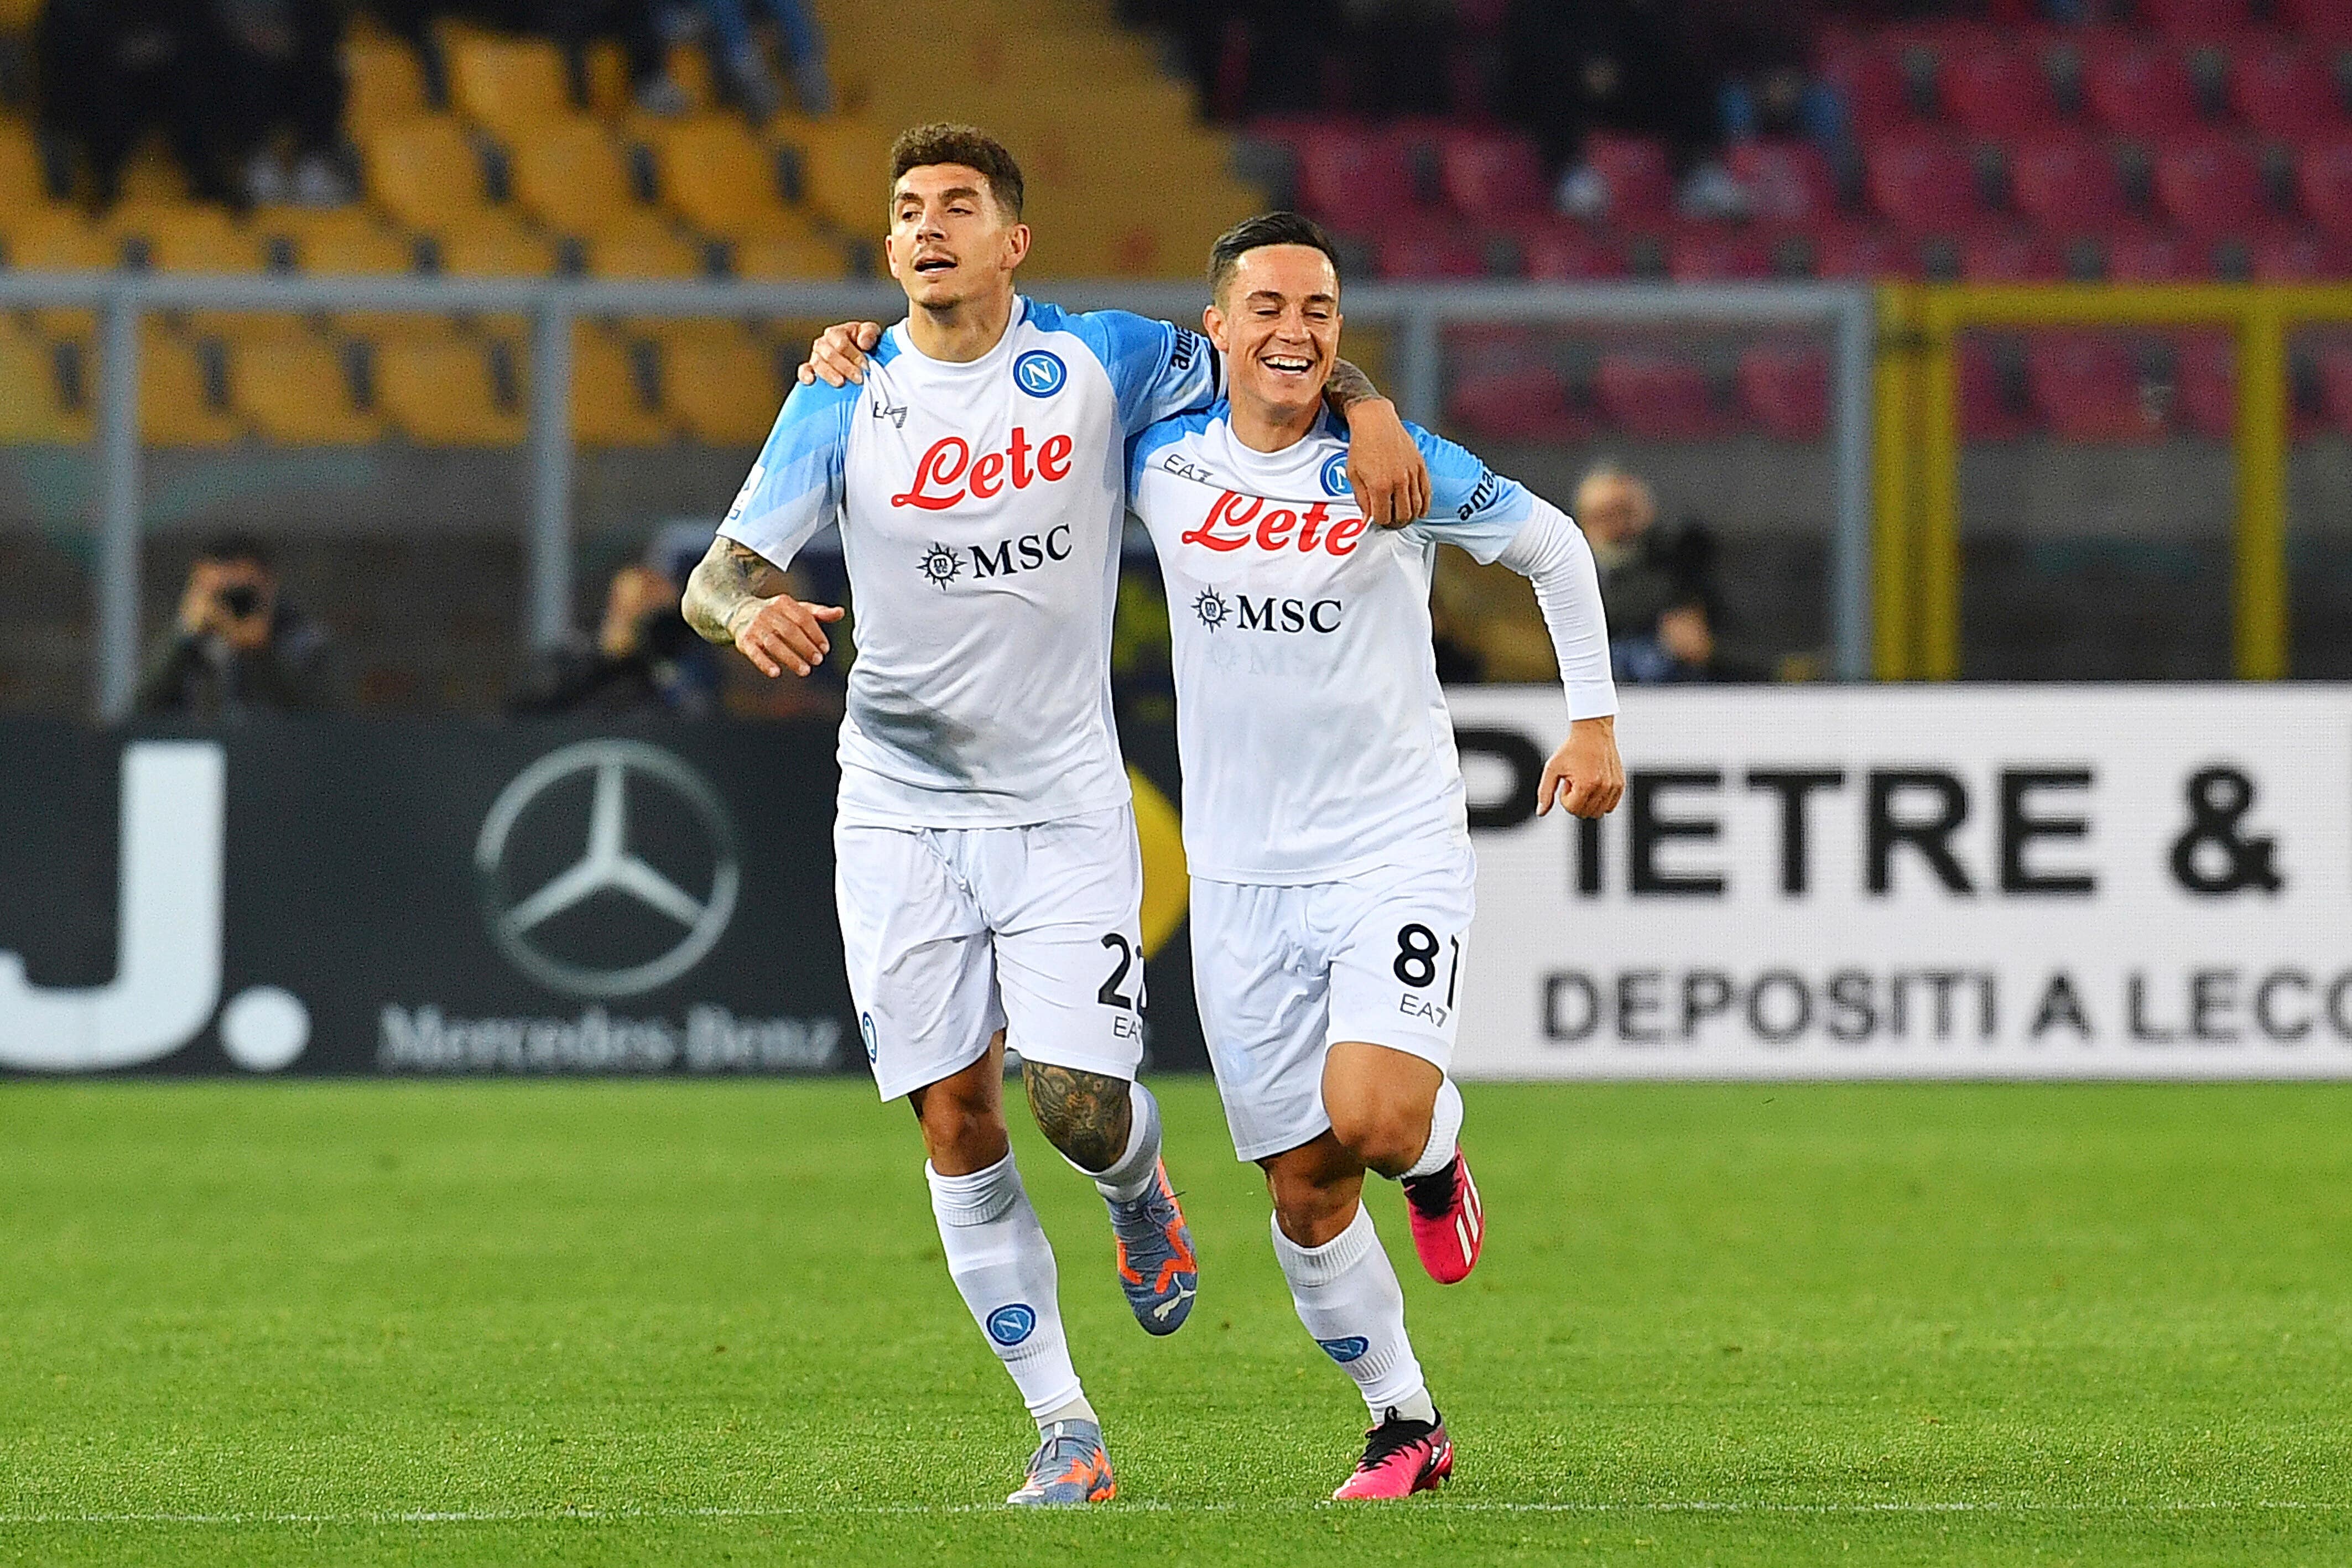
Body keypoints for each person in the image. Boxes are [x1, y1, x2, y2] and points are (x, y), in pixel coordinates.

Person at [679, 124, 1429, 1507]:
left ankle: (1139, 1191)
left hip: (1063, 808)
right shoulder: (842, 395)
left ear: (1010, 242)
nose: (927, 228)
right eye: (907, 210)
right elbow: (714, 577)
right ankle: (1067, 1435)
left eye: (957, 207)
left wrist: (1369, 407)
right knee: (956, 1121)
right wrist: (751, 611)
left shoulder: (1099, 360)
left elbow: (1279, 348)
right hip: (897, 812)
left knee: (1078, 1109)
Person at [1123, 212, 1623, 1499]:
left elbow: (1555, 548)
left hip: (1390, 845)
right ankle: (1404, 1421)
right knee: (1302, 1193)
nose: (1296, 332)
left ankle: (1440, 1147)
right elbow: (1005, 373)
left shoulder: (1389, 466)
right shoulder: (1154, 446)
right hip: (1237, 875)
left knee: (1375, 1119)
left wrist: (1593, 722)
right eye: (1271, 309)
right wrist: (856, 356)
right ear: (1217, 329)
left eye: (1323, 315)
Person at [137, 533, 336, 716]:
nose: (231, 607)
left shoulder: (302, 638)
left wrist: (261, 652)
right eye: (219, 594)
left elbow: (326, 714)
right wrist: (184, 638)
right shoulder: (190, 644)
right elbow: (141, 709)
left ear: (269, 585)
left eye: (241, 595)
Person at [509, 561, 719, 717]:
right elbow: (528, 706)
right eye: (634, 608)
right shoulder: (571, 658)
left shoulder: (680, 668)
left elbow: (700, 712)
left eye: (653, 612)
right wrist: (608, 656)